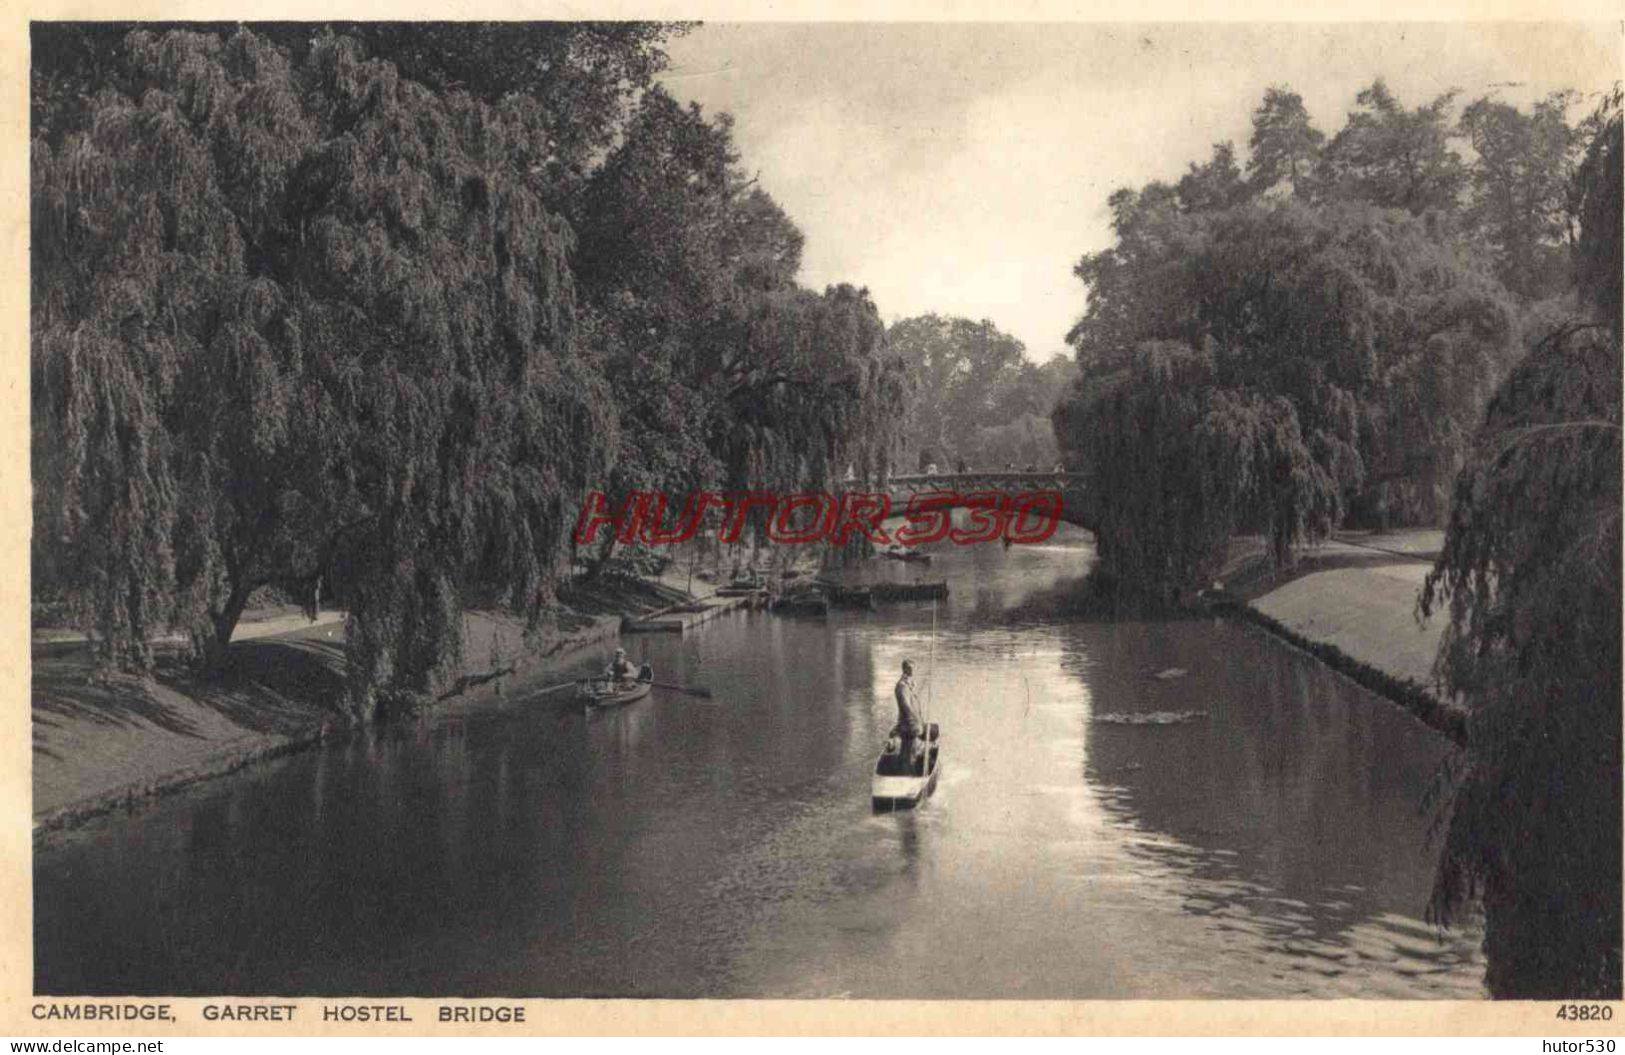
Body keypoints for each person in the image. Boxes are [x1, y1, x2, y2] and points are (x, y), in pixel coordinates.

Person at [894, 659, 924, 767]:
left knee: (908, 752)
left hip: (909, 723)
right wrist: (915, 722)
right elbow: (906, 707)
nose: (913, 671)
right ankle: (908, 775)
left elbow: (913, 702)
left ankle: (905, 770)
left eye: (913, 668)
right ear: (905, 669)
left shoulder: (909, 683)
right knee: (910, 754)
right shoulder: (902, 686)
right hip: (908, 724)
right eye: (910, 668)